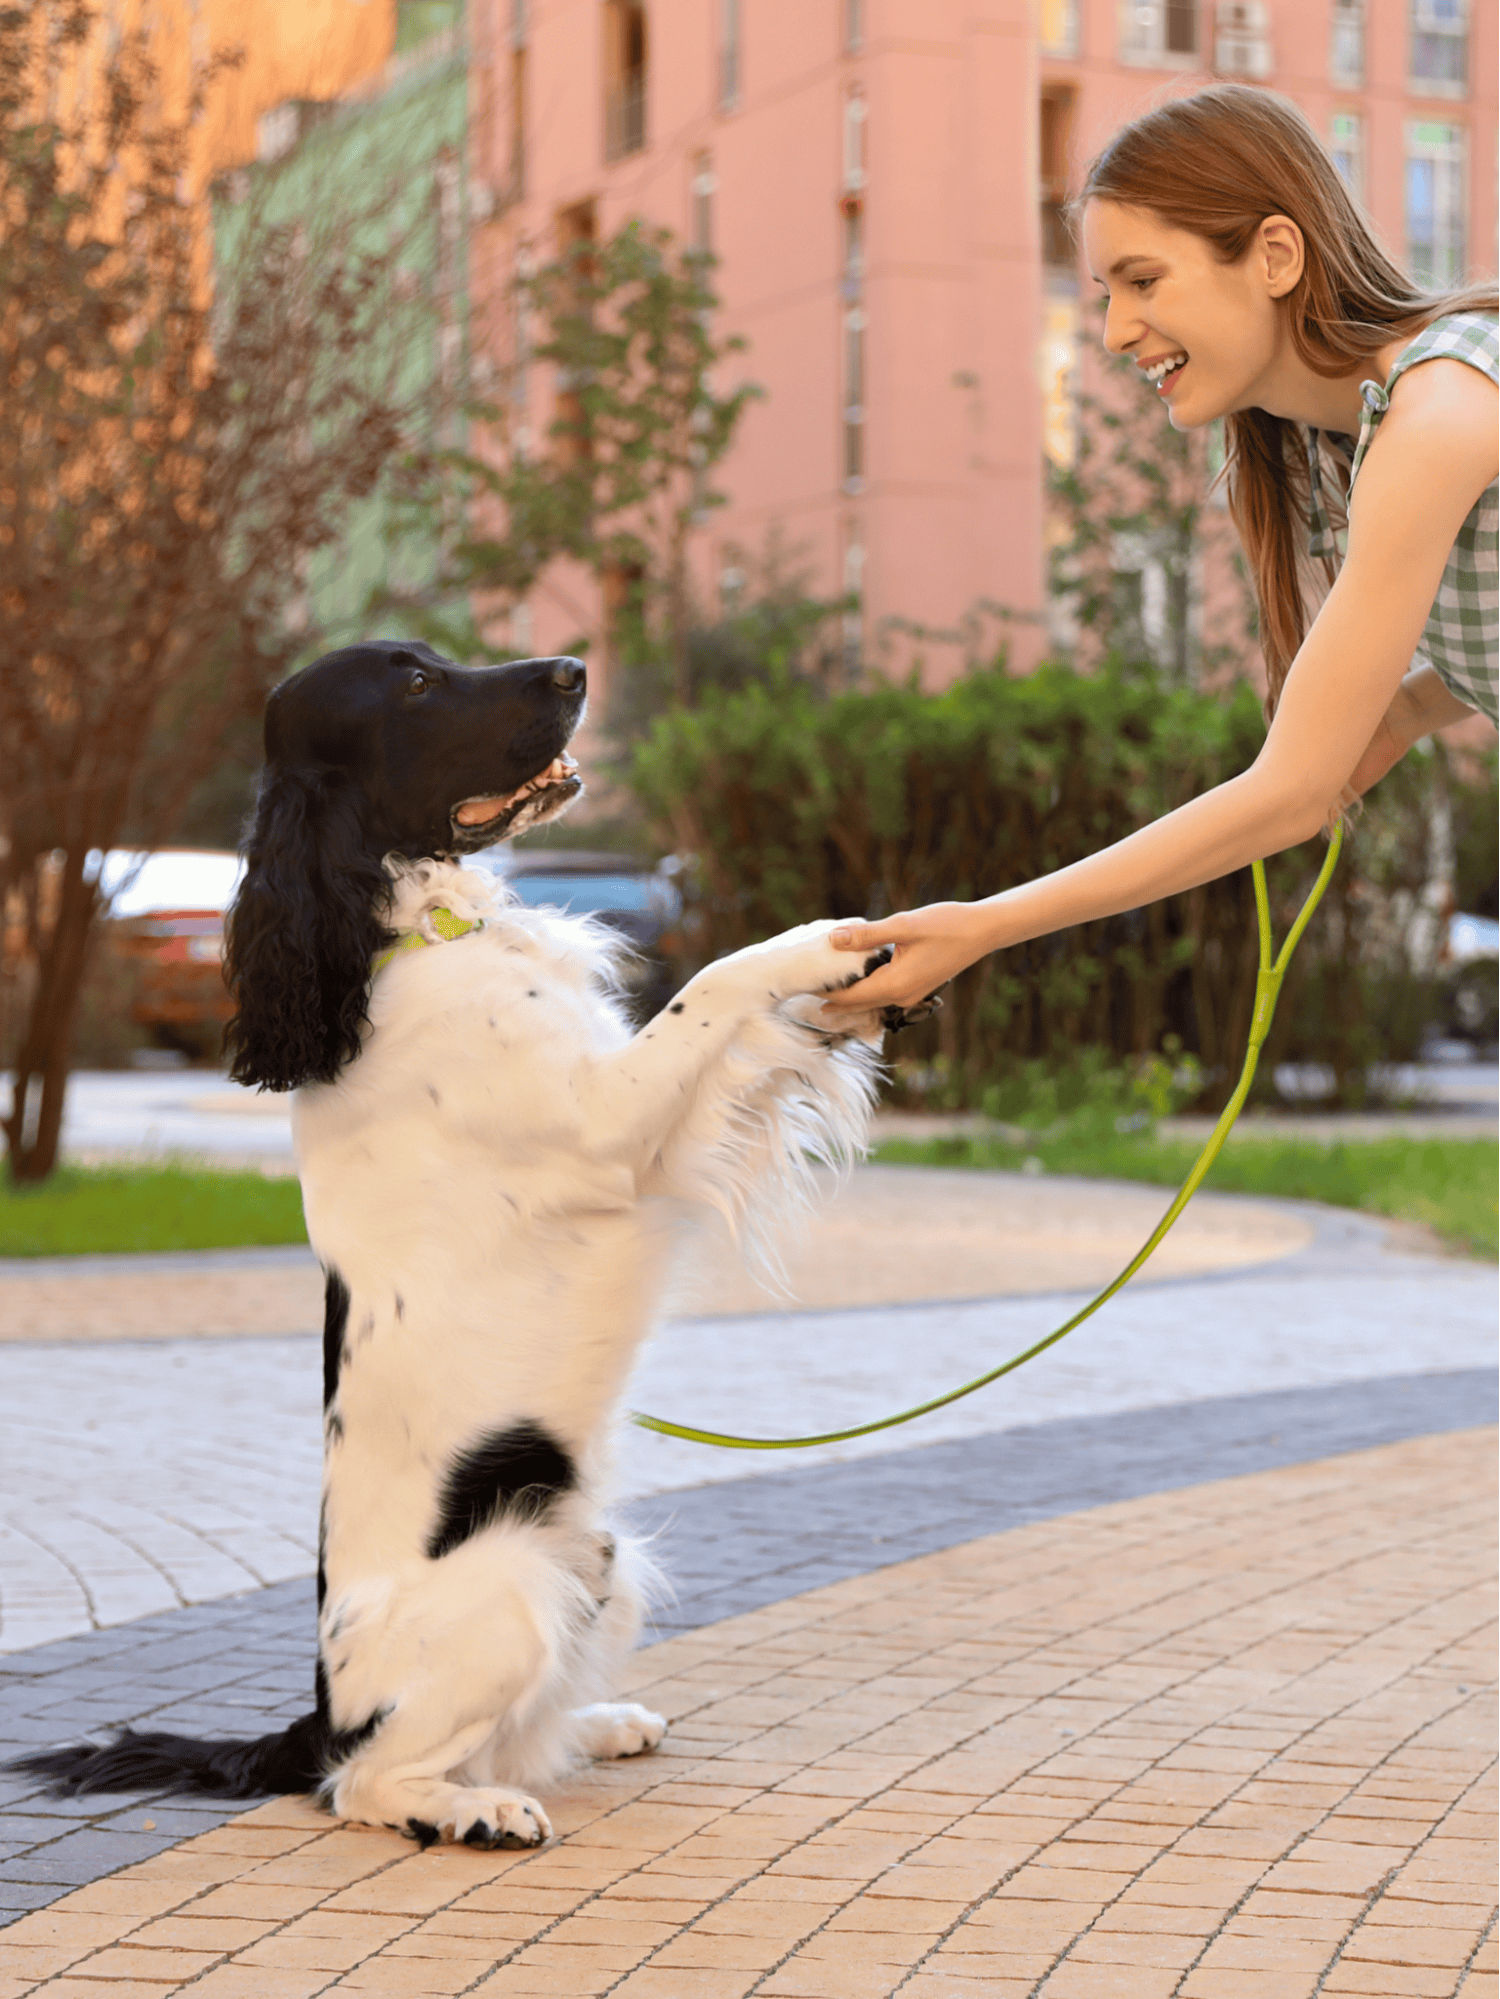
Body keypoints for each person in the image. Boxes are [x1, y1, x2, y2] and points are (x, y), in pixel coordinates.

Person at [824, 85, 1497, 1018]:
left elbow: (1293, 794)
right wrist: (1410, 709)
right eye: (1106, 295)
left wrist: (984, 924)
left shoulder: (1441, 413)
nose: (1113, 332)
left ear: (1274, 254)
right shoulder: (1366, 435)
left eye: (1144, 281)